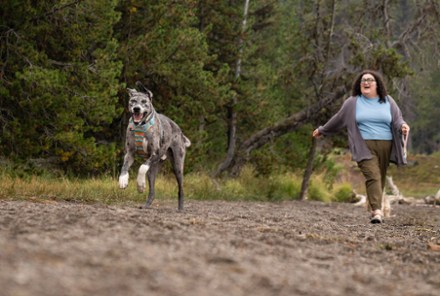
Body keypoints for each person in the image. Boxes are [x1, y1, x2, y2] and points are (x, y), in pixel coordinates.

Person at [312, 70, 410, 224]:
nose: (366, 82)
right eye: (363, 80)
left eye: (370, 80)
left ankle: (373, 206)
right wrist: (322, 129)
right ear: (359, 84)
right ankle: (377, 211)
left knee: (380, 177)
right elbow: (338, 119)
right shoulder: (352, 102)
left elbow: (397, 119)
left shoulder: (388, 101)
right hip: (363, 144)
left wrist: (403, 126)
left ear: (377, 84)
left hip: (386, 144)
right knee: (373, 176)